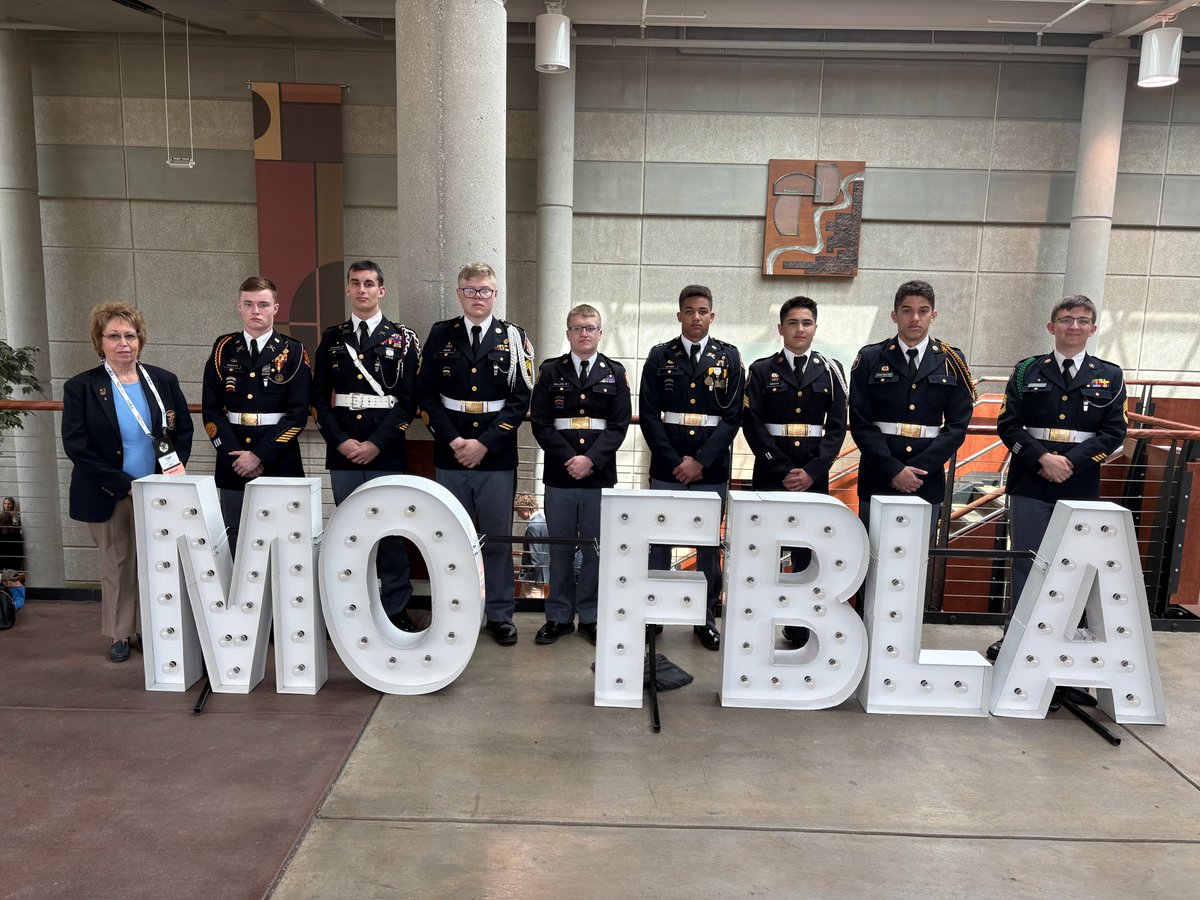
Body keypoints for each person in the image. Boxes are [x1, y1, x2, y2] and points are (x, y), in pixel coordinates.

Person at [989, 295, 1128, 660]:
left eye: (1083, 321)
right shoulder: (1026, 371)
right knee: (1027, 562)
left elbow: (1114, 433)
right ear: (1051, 327)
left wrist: (1070, 464)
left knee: (1076, 568)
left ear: (1093, 329)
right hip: (1030, 482)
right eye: (1066, 320)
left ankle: (1065, 648)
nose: (1075, 326)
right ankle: (1016, 641)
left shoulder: (1110, 376)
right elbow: (1008, 425)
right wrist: (1042, 459)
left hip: (1079, 485)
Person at [62, 302, 193, 661]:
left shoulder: (162, 380)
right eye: (114, 336)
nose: (123, 343)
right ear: (99, 341)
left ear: (140, 339)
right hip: (110, 492)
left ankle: (154, 630)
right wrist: (122, 484)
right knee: (118, 564)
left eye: (130, 335)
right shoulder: (83, 387)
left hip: (157, 491)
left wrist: (172, 470)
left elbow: (182, 429)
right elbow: (77, 445)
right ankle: (121, 633)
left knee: (158, 561)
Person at [417, 262, 534, 646]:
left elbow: (520, 400)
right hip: (451, 453)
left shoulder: (515, 338)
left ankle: (500, 614)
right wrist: (453, 441)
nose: (477, 297)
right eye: (470, 290)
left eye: (484, 290)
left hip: (495, 455)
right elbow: (427, 396)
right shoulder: (440, 335)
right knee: (452, 538)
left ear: (495, 294)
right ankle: (457, 611)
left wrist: (484, 443)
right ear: (459, 293)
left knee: (497, 539)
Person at [312, 260, 422, 631]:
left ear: (382, 290)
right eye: (356, 283)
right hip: (343, 451)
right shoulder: (332, 338)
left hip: (385, 448)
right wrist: (341, 442)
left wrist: (375, 444)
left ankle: (396, 606)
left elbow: (408, 401)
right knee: (349, 531)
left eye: (370, 283)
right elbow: (318, 400)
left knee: (390, 531)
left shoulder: (402, 339)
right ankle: (350, 605)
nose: (362, 290)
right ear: (348, 289)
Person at [639, 285, 744, 651]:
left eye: (702, 311)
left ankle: (705, 618)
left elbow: (732, 418)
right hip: (668, 466)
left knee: (706, 547)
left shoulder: (729, 358)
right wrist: (675, 461)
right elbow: (650, 416)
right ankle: (653, 615)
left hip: (710, 468)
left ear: (712, 316)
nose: (695, 317)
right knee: (659, 543)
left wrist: (700, 461)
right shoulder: (659, 356)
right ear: (679, 315)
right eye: (689, 310)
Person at [742, 296, 849, 647]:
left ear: (815, 327)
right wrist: (784, 468)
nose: (799, 329)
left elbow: (836, 429)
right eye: (793, 323)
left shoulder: (832, 371)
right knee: (767, 554)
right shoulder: (760, 370)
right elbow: (753, 424)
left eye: (806, 323)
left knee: (808, 556)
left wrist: (813, 471)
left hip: (813, 482)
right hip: (772, 476)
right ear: (781, 328)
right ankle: (758, 626)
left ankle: (800, 628)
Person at [530, 304, 632, 646]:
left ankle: (590, 615)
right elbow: (542, 424)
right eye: (577, 328)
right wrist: (569, 458)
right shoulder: (549, 371)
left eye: (590, 327)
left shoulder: (615, 373)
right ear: (568, 332)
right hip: (560, 475)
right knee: (559, 547)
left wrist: (590, 460)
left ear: (600, 333)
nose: (584, 333)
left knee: (594, 549)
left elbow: (618, 427)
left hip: (598, 476)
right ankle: (558, 616)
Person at [849, 279, 975, 545]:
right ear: (894, 315)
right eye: (907, 310)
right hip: (879, 475)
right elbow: (861, 422)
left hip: (925, 481)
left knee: (915, 563)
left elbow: (957, 426)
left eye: (923, 310)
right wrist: (893, 470)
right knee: (873, 561)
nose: (915, 318)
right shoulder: (870, 358)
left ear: (934, 315)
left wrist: (917, 470)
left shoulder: (952, 360)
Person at [201, 276, 311, 548]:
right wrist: (236, 457)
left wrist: (260, 455)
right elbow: (211, 411)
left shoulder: (294, 351)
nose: (255, 311)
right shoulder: (223, 349)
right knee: (236, 539)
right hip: (234, 462)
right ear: (238, 306)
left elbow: (298, 415)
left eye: (263, 304)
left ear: (275, 308)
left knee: (284, 541)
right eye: (248, 304)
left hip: (279, 461)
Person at [516, 493, 549, 598]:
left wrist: (526, 578)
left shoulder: (533, 527)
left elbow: (536, 557)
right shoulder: (543, 522)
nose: (518, 515)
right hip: (542, 576)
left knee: (530, 608)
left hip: (533, 579)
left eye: (518, 511)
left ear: (524, 509)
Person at [0, 496, 24, 573]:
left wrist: (15, 519)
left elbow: (17, 530)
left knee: (14, 566)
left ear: (13, 505)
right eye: (5, 503)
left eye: (9, 504)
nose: (7, 506)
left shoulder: (16, 516)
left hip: (14, 546)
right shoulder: (1, 515)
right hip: (3, 545)